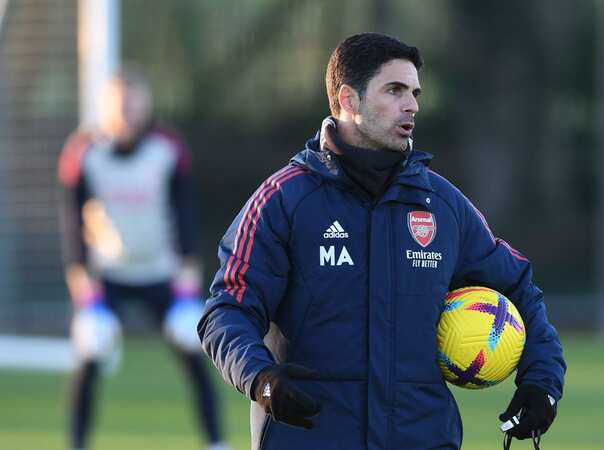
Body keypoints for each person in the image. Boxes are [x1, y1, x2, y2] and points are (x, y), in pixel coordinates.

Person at [198, 33, 566, 450]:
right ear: (348, 99)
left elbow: (521, 289)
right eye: (394, 90)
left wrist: (542, 383)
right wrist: (261, 379)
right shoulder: (284, 200)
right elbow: (226, 311)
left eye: (414, 92)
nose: (412, 105)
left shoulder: (442, 206)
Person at [57, 67, 229, 450]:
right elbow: (72, 228)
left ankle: (217, 442)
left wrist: (187, 295)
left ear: (147, 104)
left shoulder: (168, 149)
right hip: (107, 276)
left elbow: (186, 219)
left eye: (134, 104)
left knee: (193, 353)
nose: (127, 114)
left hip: (160, 274)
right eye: (118, 105)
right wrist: (87, 300)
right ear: (103, 108)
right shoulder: (83, 152)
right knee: (90, 355)